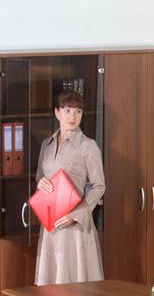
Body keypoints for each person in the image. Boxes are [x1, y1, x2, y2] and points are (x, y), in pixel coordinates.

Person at [34, 90, 105, 285]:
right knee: (50, 287)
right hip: (50, 225)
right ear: (57, 112)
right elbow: (40, 177)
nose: (73, 116)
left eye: (78, 111)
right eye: (67, 110)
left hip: (75, 227)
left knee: (75, 287)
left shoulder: (88, 146)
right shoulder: (46, 145)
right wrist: (40, 183)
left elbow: (99, 186)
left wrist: (76, 215)